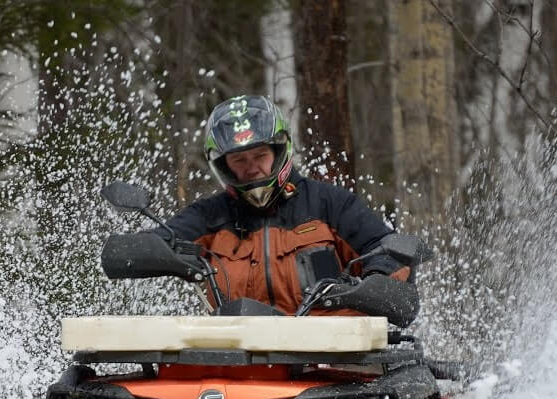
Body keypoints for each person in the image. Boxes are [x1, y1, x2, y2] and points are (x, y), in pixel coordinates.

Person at [153, 94, 411, 315]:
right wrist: (140, 249)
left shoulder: (329, 204)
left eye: (260, 155)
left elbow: (386, 250)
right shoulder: (208, 216)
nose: (252, 168)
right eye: (239, 160)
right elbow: (159, 241)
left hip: (330, 354)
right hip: (237, 354)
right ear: (223, 165)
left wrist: (376, 283)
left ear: (279, 151)